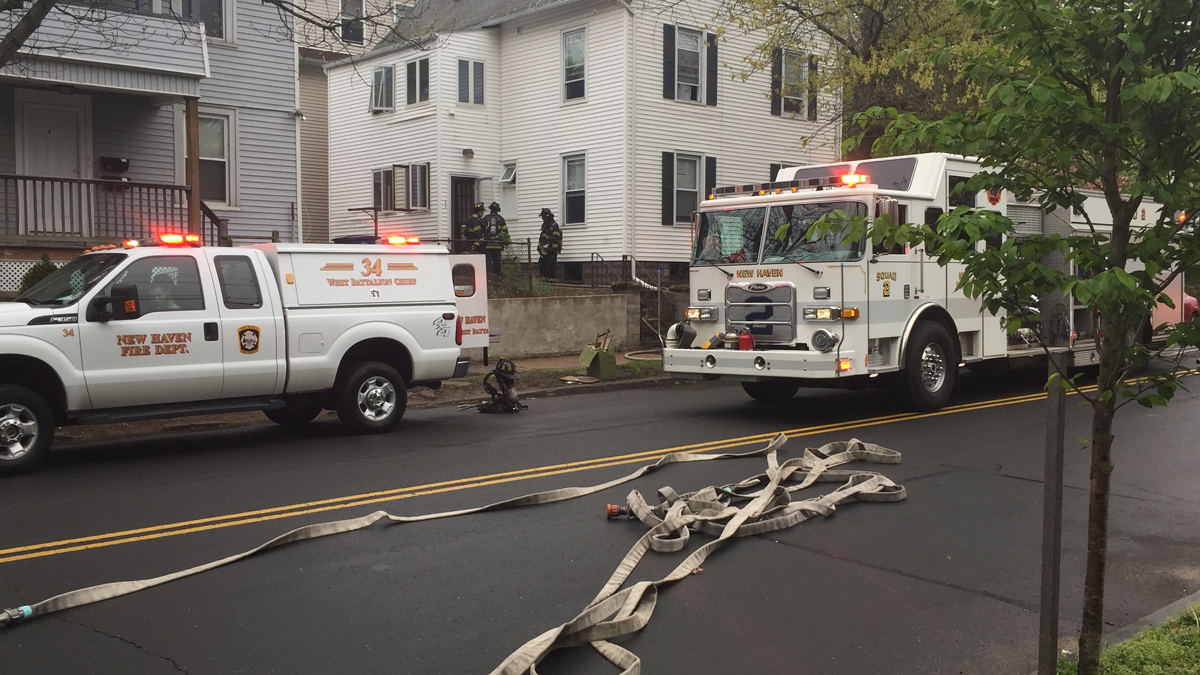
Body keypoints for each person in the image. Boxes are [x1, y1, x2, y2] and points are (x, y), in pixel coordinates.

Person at [483, 201, 509, 279]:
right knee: (497, 260)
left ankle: (489, 275)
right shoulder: (501, 219)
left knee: (488, 260)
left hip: (488, 244)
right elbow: (505, 232)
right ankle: (497, 276)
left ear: (490, 209)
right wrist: (504, 242)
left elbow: (481, 230)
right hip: (498, 245)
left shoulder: (485, 218)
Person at [536, 208, 562, 280]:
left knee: (550, 265)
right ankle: (543, 279)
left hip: (551, 251)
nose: (542, 218)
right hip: (544, 250)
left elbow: (556, 239)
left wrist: (551, 249)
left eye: (543, 217)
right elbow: (542, 237)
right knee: (542, 264)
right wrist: (539, 247)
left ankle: (551, 280)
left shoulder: (554, 226)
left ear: (548, 217)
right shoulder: (544, 226)